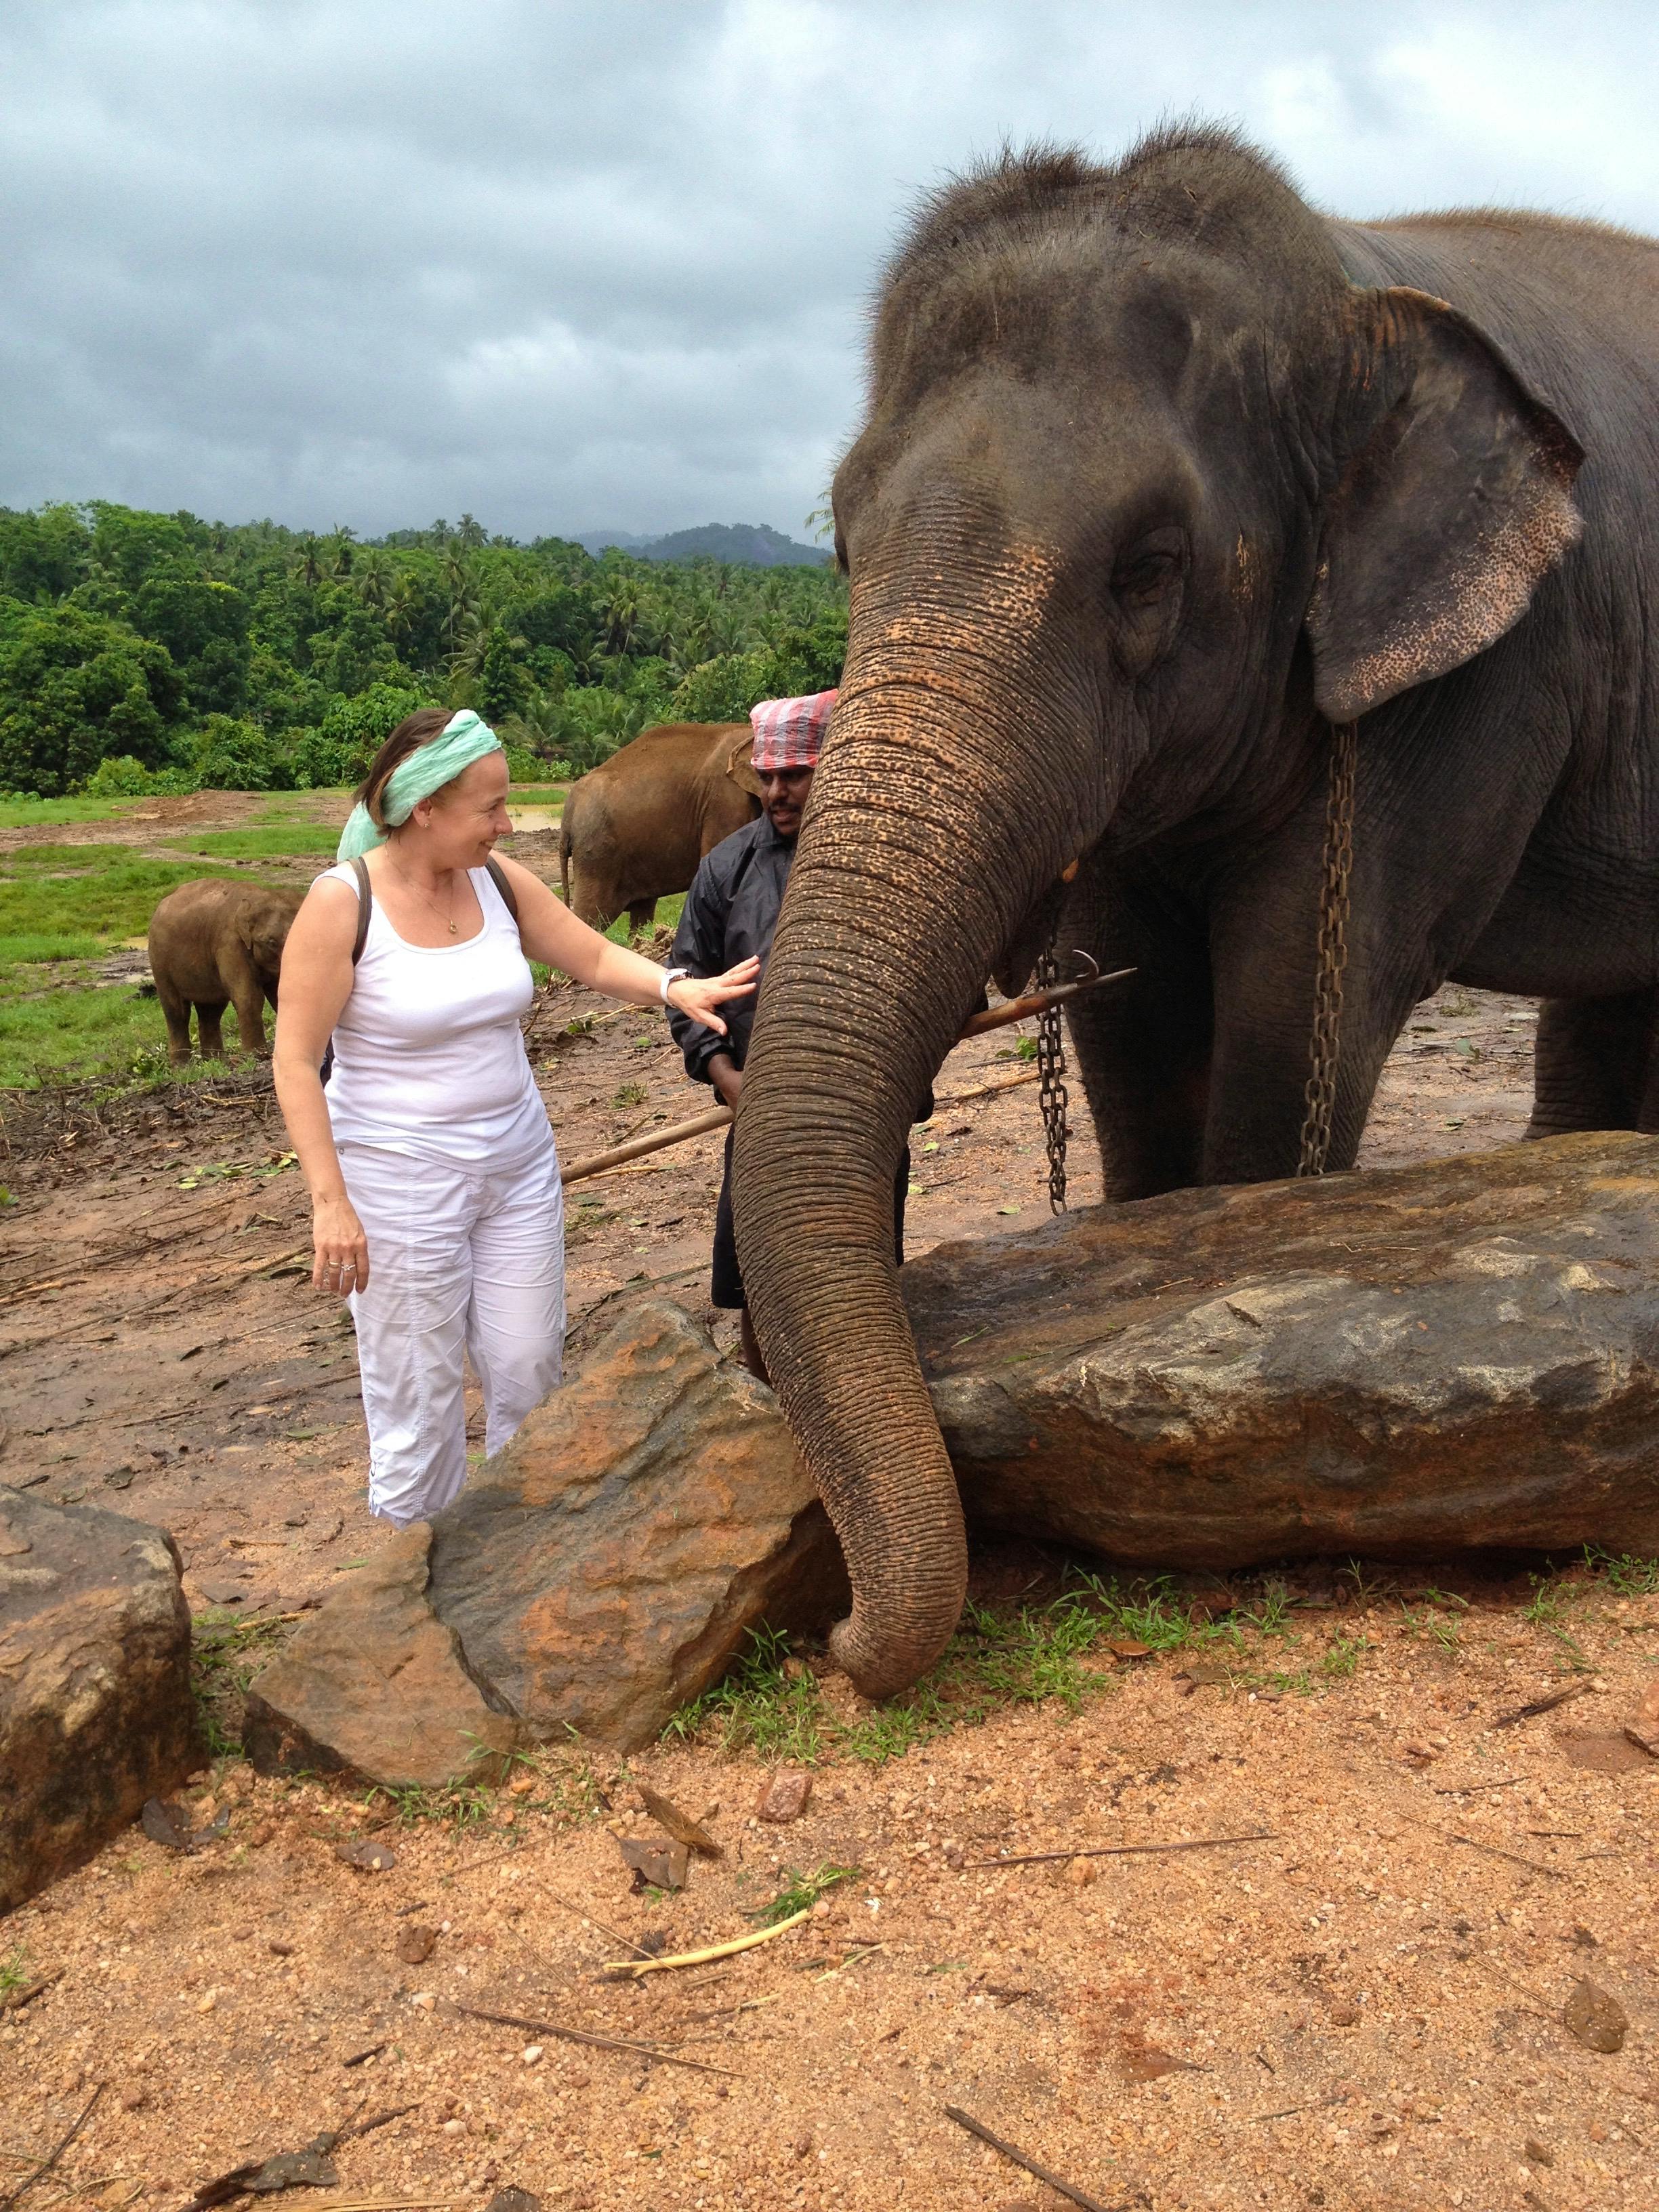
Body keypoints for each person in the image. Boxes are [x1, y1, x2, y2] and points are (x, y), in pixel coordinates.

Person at [272, 706, 757, 1526]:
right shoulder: (341, 905)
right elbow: (294, 1060)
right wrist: (330, 1201)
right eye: (489, 808)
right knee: (417, 1394)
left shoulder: (497, 882)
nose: (506, 823)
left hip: (516, 1169)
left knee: (530, 1368)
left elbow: (595, 953)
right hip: (398, 1183)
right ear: (423, 807)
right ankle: (411, 1578)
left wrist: (677, 986)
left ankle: (512, 1554)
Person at [668, 689, 910, 1380]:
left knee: (860, 1278)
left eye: (795, 774)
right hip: (762, 1108)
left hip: (864, 1112)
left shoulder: (885, 859)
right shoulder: (728, 868)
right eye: (768, 777)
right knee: (758, 1286)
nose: (778, 791)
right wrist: (726, 1076)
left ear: (833, 766)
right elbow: (687, 984)